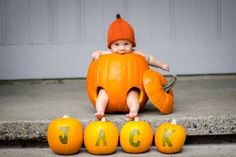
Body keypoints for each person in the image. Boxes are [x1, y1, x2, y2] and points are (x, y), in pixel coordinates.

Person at [91, 14, 176, 120]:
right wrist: (96, 53)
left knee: (133, 96)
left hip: (130, 87)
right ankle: (100, 111)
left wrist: (161, 65)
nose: (121, 48)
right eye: (116, 44)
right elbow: (96, 54)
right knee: (102, 95)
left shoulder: (137, 54)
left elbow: (150, 59)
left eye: (126, 44)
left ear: (132, 44)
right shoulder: (106, 54)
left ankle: (133, 111)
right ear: (110, 45)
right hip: (109, 90)